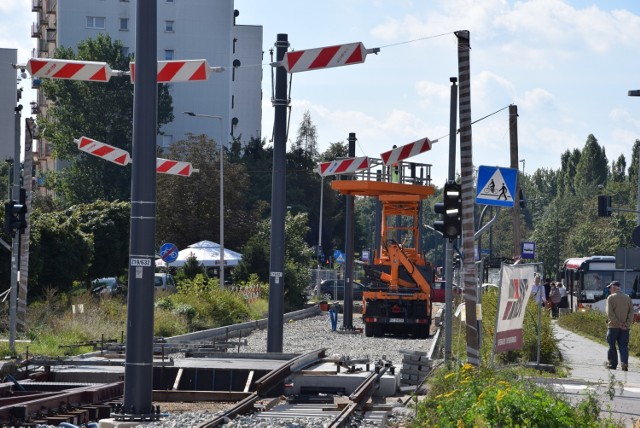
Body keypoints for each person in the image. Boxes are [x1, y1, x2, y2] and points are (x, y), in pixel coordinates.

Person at [605, 281, 634, 371]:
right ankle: (624, 363)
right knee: (623, 346)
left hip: (613, 327)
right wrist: (626, 324)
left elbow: (610, 313)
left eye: (610, 288)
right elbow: (631, 313)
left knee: (611, 345)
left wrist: (618, 323)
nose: (609, 289)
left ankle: (613, 364)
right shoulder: (627, 298)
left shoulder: (611, 298)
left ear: (613, 287)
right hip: (625, 328)